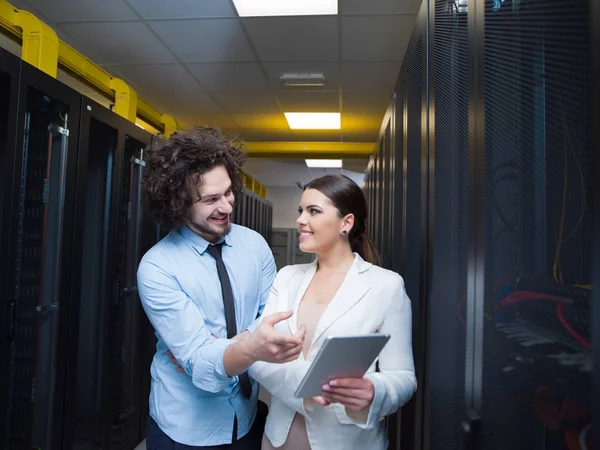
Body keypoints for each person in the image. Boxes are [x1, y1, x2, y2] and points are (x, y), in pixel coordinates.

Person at [137, 126, 306, 450]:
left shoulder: (253, 245)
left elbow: (274, 312)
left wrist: (228, 345)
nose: (227, 207)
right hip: (186, 426)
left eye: (228, 193)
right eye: (211, 199)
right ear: (178, 202)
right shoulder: (158, 267)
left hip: (246, 416)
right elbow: (201, 363)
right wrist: (252, 343)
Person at [249, 174, 417, 450]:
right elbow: (257, 357)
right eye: (300, 211)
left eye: (313, 211)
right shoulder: (286, 278)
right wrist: (308, 384)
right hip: (279, 438)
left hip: (348, 441)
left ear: (346, 223)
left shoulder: (386, 286)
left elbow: (403, 377)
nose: (301, 220)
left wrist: (374, 391)